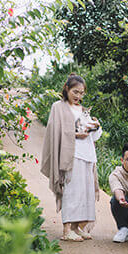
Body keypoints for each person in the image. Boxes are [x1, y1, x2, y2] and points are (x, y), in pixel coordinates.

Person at [40, 74, 101, 241]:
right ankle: (67, 230)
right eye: (75, 92)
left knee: (85, 193)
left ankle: (76, 227)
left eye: (81, 93)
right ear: (66, 88)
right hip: (71, 155)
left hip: (87, 154)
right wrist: (75, 135)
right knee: (72, 191)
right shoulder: (58, 107)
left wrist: (96, 127)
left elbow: (93, 137)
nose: (78, 96)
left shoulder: (82, 109)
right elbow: (55, 131)